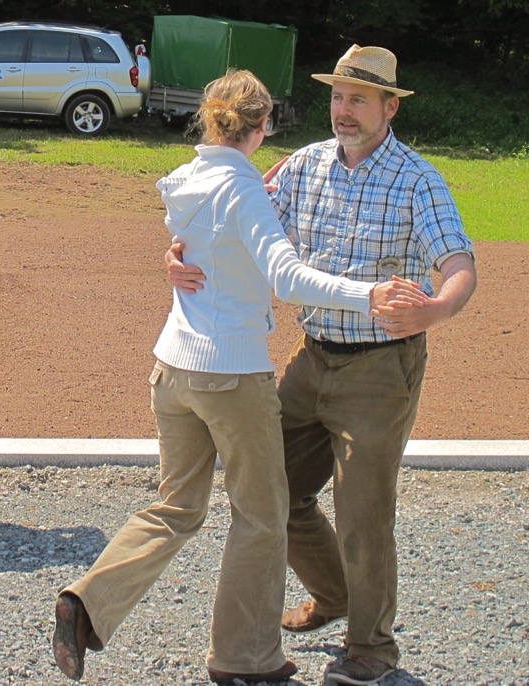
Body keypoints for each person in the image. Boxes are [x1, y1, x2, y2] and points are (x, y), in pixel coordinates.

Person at [52, 70, 428, 685]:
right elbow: (286, 277)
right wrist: (369, 295)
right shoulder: (245, 187)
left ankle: (85, 600)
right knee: (261, 514)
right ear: (264, 126)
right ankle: (244, 660)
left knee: (176, 505)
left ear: (208, 119)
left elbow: (194, 241)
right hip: (231, 375)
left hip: (172, 367)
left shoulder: (188, 180)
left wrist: (176, 253)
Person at [166, 46, 477, 685]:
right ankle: (335, 597)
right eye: (337, 96)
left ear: (390, 107)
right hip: (312, 360)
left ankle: (372, 650)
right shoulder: (302, 166)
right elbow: (234, 231)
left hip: (381, 367)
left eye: (358, 99)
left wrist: (435, 311)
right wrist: (178, 254)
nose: (343, 109)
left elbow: (459, 265)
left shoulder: (419, 180)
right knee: (272, 487)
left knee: (364, 511)